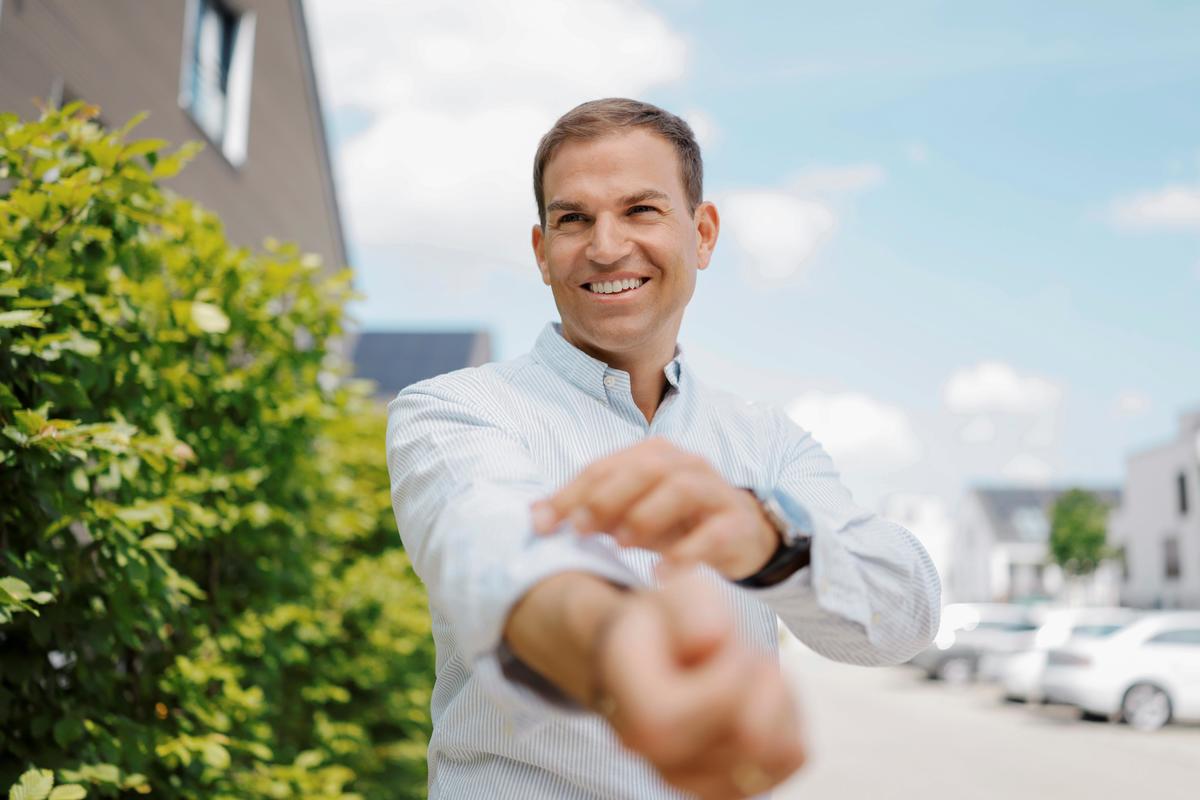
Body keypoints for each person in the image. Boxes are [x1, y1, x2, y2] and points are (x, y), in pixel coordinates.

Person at [385, 98, 941, 800]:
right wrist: (619, 648)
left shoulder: (769, 442)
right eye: (573, 219)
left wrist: (768, 539)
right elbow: (491, 546)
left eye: (640, 210)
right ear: (541, 252)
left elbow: (904, 617)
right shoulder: (452, 409)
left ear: (702, 235)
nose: (606, 246)